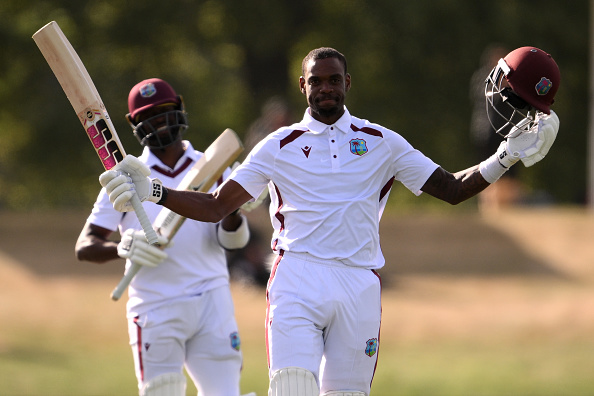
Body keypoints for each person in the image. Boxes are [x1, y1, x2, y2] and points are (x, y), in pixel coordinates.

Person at [98, 47, 561, 396]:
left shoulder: (382, 141)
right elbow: (217, 206)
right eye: (316, 81)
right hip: (297, 277)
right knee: (293, 387)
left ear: (347, 83)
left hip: (358, 283)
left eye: (334, 80)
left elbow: (452, 189)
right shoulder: (277, 144)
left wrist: (504, 158)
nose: (326, 89)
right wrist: (154, 190)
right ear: (303, 87)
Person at [75, 78, 253, 396]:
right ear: (134, 123)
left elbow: (234, 242)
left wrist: (235, 209)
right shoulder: (125, 177)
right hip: (155, 307)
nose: (158, 121)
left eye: (165, 111)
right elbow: (85, 246)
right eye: (149, 115)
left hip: (211, 299)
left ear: (179, 108)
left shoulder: (213, 168)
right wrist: (123, 248)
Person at [469, 44, 526, 212]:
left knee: (508, 173)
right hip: (488, 133)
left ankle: (506, 208)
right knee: (488, 172)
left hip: (503, 132)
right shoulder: (484, 78)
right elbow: (489, 99)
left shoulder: (508, 80)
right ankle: (490, 210)